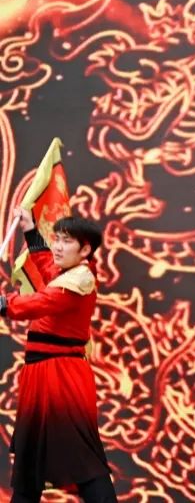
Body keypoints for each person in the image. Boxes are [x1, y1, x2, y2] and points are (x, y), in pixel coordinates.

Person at [0, 210, 117, 502]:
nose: (58, 247)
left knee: (82, 458)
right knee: (29, 459)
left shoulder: (79, 282)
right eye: (57, 239)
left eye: (66, 241)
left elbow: (37, 303)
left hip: (62, 378)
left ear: (85, 250)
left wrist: (3, 303)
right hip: (41, 375)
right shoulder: (69, 275)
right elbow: (47, 267)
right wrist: (31, 231)